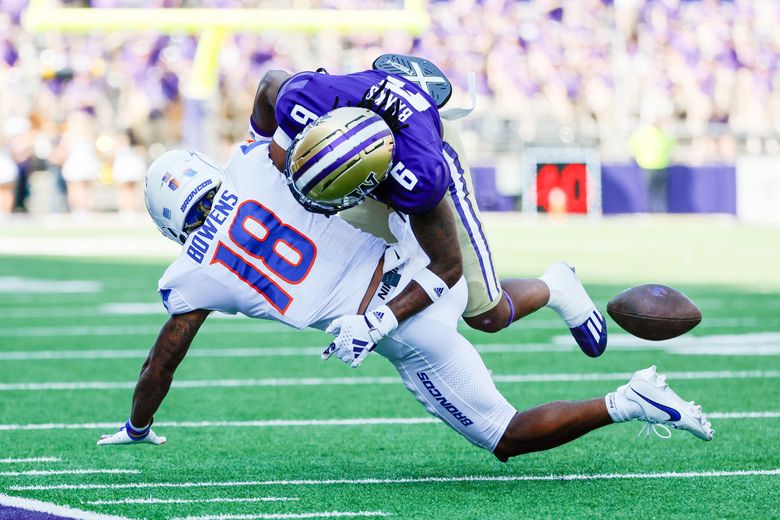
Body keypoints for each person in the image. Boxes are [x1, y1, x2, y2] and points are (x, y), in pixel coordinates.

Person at [97, 136, 713, 458]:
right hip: (419, 259)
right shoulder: (258, 161)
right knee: (487, 310)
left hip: (396, 325)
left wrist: (137, 423)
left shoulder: (193, 273)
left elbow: (162, 362)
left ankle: (632, 401)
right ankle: (557, 285)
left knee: (505, 434)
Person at [249, 57, 608, 359]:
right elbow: (270, 83)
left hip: (418, 147)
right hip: (369, 141)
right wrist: (258, 146)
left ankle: (557, 286)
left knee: (485, 314)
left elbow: (447, 266)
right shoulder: (307, 99)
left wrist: (378, 324)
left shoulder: (419, 175)